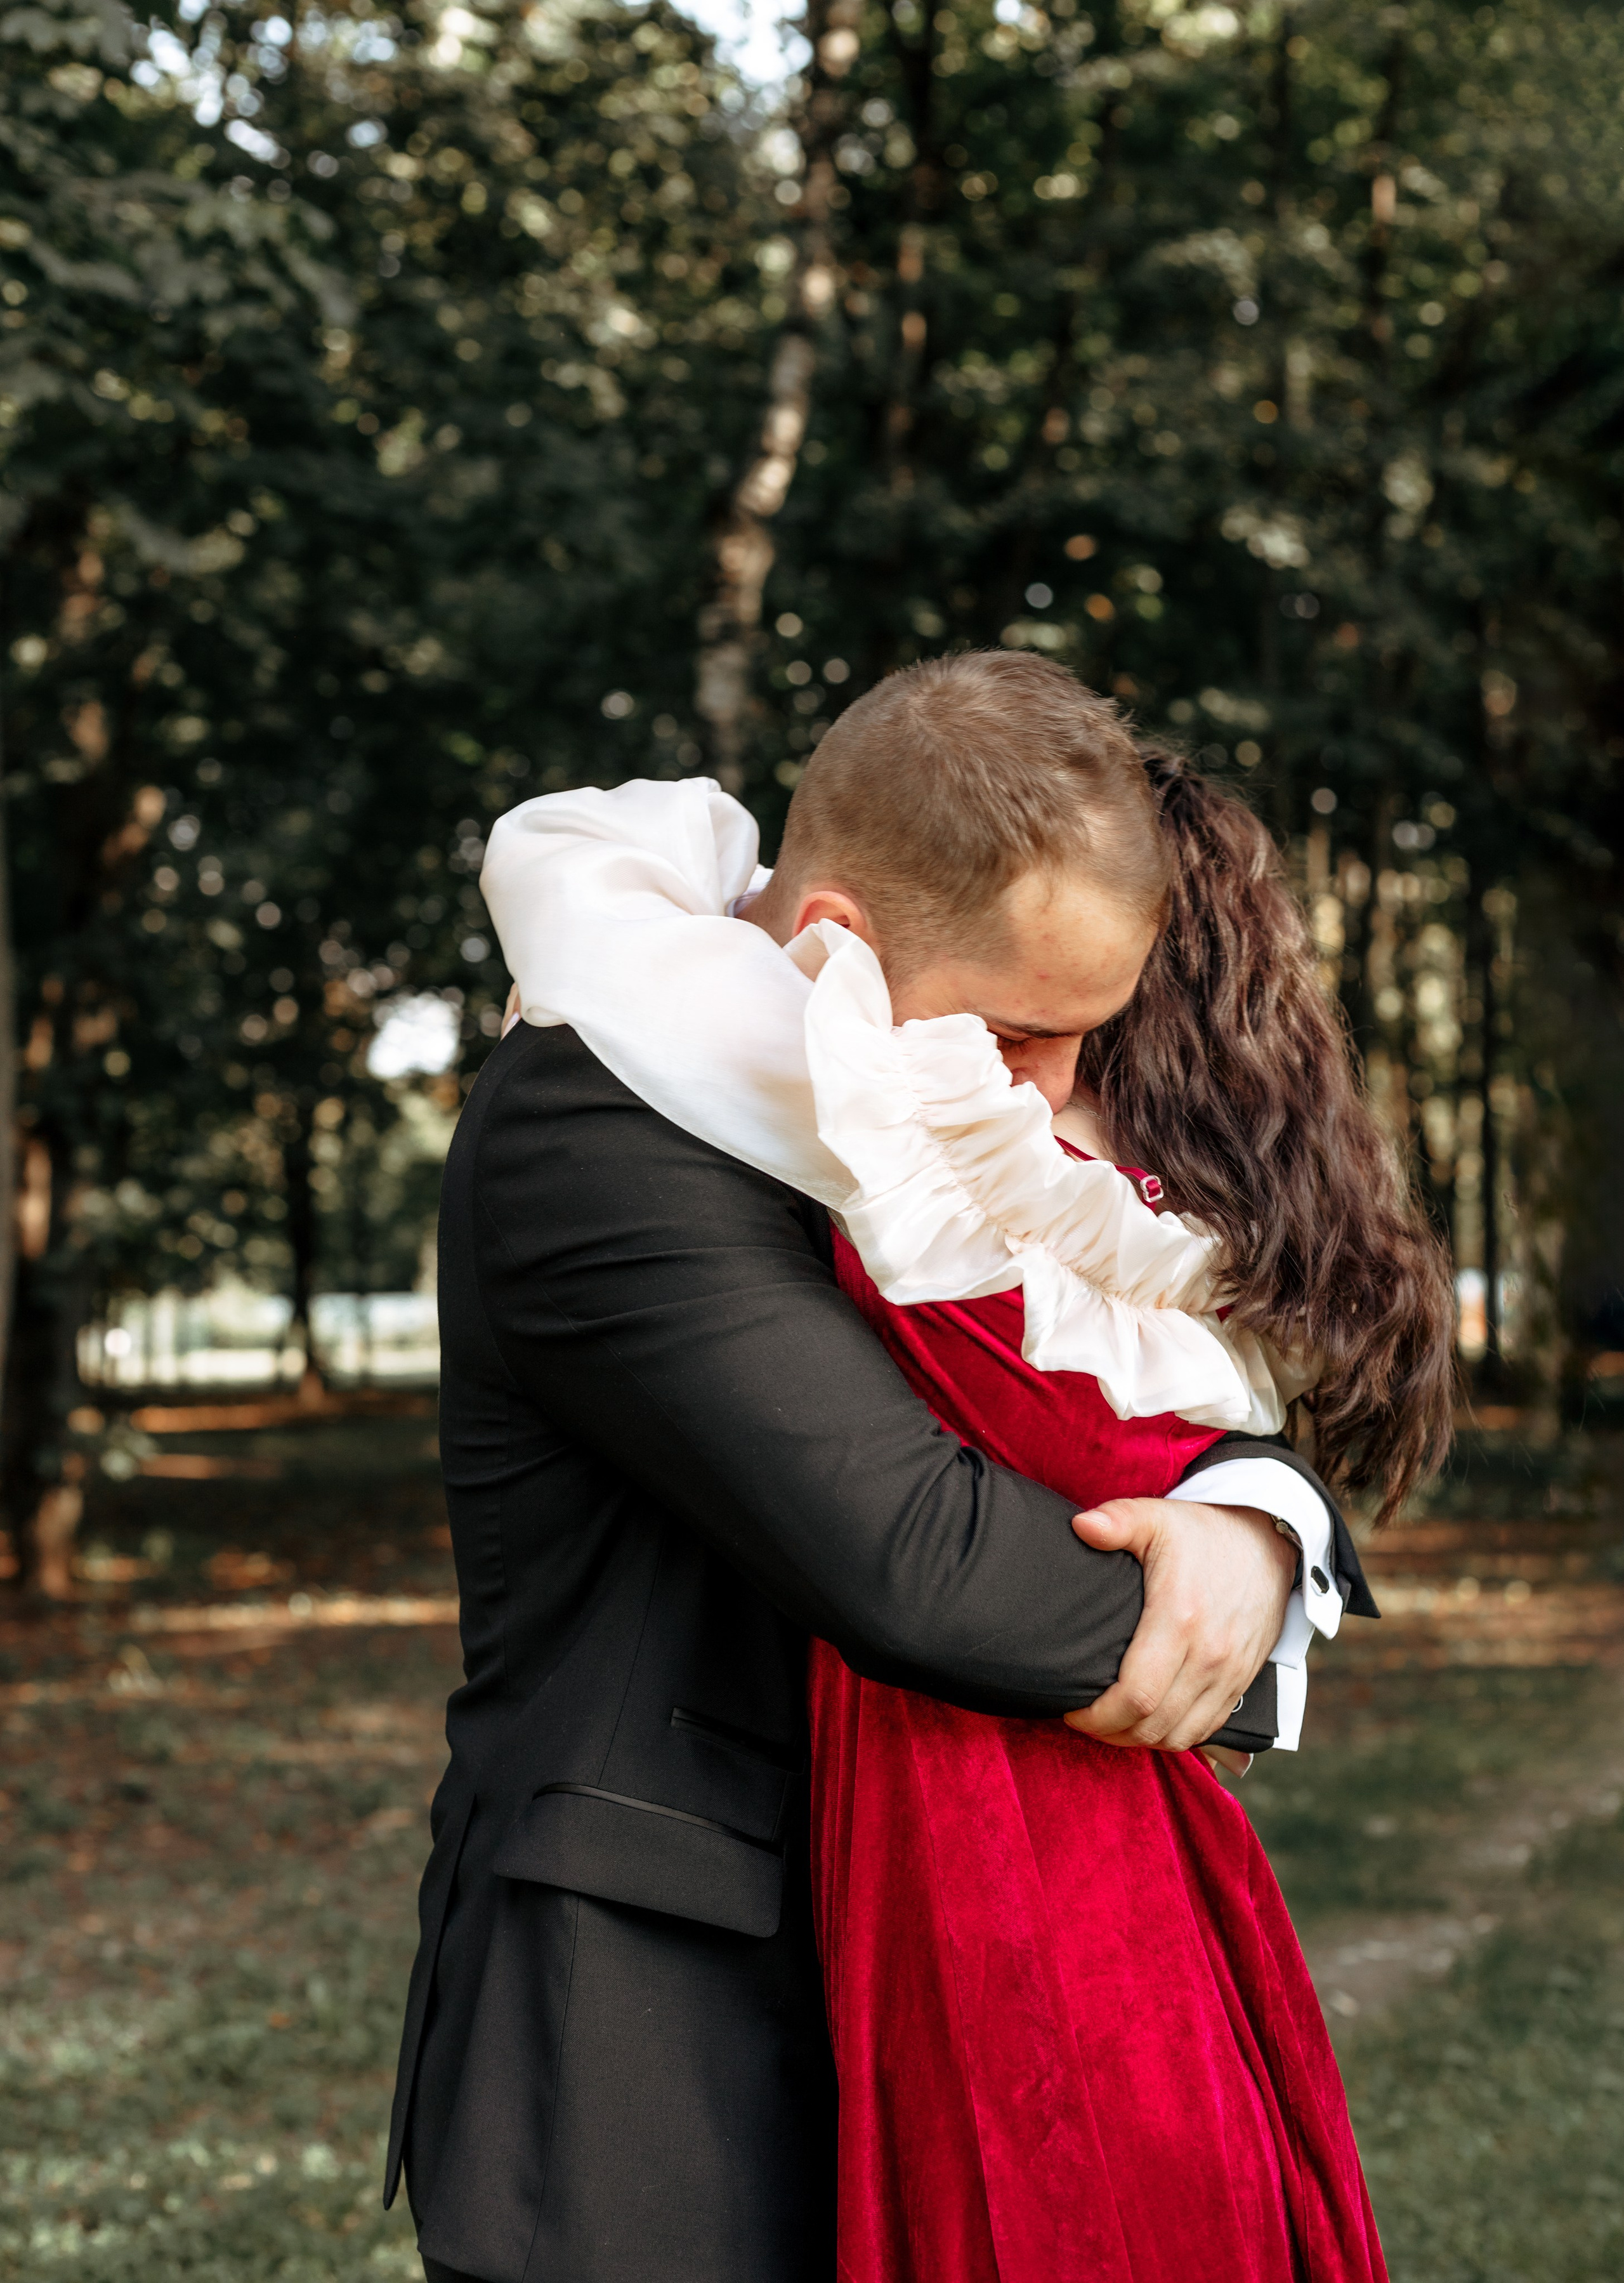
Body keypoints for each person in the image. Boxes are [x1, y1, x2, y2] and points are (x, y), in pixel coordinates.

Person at [390, 655, 1393, 2283]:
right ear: (837, 940)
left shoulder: (914, 1095)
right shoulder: (593, 1129)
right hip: (661, 2053)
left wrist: (1256, 1523)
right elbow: (912, 1554)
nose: (1056, 1099)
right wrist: (1187, 1598)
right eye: (1018, 1031)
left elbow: (1107, 1378)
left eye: (1087, 1035)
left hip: (944, 1985)